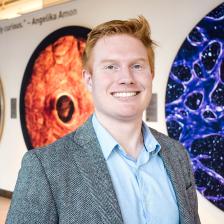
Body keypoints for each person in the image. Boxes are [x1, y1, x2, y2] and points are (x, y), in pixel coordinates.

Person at [6, 16, 201, 224]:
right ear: (89, 80)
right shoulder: (45, 168)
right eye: (110, 67)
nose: (126, 78)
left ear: (151, 74)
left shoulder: (177, 155)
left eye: (137, 66)